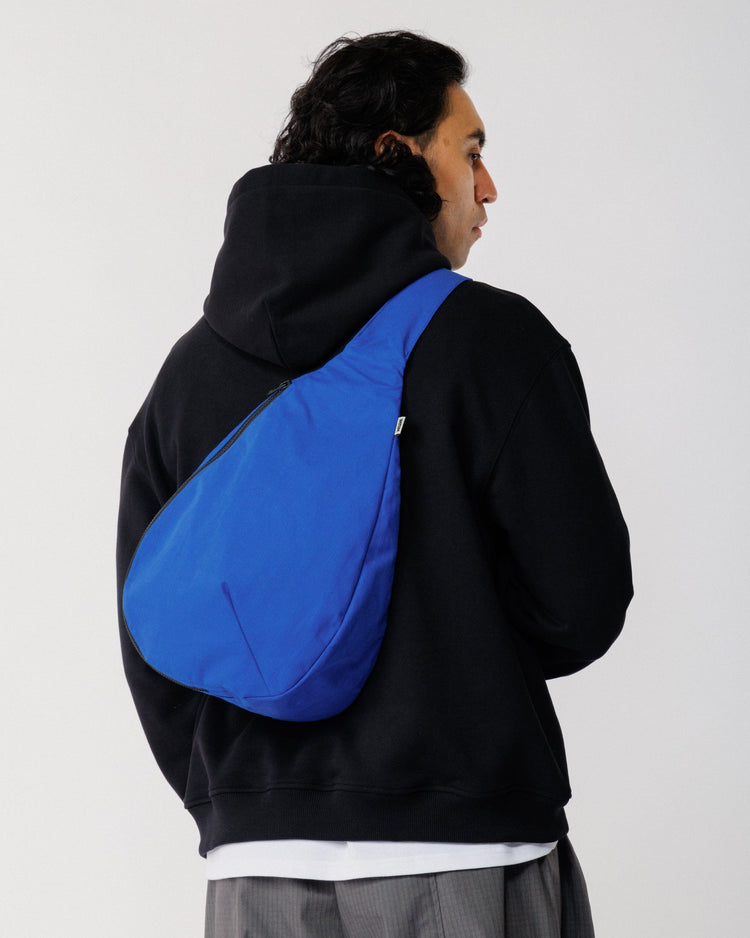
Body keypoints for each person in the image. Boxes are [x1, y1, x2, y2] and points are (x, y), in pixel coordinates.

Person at [116, 30, 633, 938]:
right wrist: (462, 647)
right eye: (470, 152)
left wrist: (239, 799)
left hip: (255, 870)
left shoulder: (186, 377)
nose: (488, 186)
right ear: (399, 153)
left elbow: (157, 630)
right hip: (466, 856)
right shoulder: (494, 342)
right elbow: (581, 604)